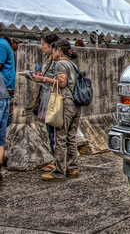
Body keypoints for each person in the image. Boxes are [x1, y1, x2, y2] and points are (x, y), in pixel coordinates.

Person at [41, 39, 81, 182]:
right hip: (76, 104)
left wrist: (45, 79)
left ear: (59, 50)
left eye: (54, 50)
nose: (52, 53)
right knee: (71, 137)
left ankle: (59, 171)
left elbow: (62, 83)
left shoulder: (61, 64)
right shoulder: (72, 65)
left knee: (60, 138)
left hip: (65, 103)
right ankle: (72, 168)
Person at [29, 33, 60, 172]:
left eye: (43, 45)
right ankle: (55, 160)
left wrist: (43, 79)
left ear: (50, 45)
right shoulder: (48, 60)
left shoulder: (57, 62)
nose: (41, 48)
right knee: (51, 132)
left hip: (54, 99)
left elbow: (60, 82)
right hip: (47, 97)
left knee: (55, 133)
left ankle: (58, 163)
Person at [0, 36, 15, 181]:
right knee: (1, 137)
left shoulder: (1, 44)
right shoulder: (4, 44)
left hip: (3, 91)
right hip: (4, 93)